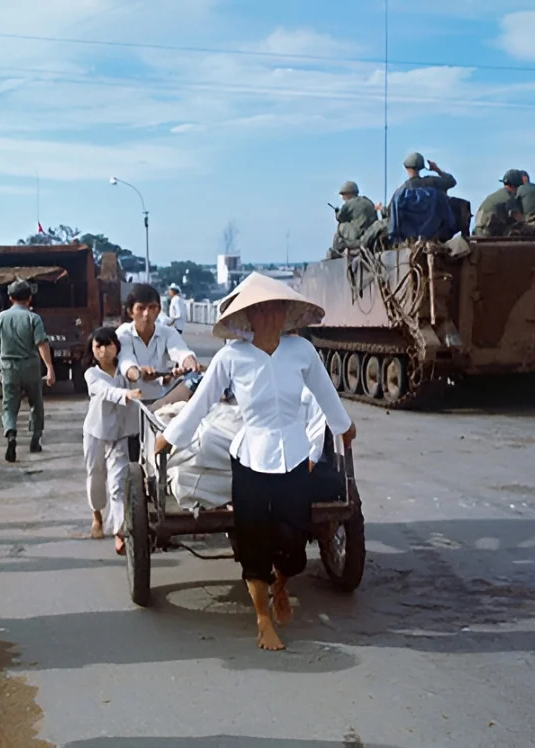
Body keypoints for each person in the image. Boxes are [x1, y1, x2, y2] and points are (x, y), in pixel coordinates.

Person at [154, 272, 355, 652]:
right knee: (252, 539)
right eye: (261, 310)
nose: (269, 317)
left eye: (275, 309)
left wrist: (344, 427)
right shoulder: (232, 357)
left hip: (294, 456)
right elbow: (201, 403)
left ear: (285, 313)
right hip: (249, 458)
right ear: (249, 317)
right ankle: (262, 619)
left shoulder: (302, 352)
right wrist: (170, 437)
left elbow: (326, 397)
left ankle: (282, 583)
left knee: (293, 538)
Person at [82, 328, 141, 554]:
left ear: (117, 346)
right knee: (96, 475)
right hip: (96, 432)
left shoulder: (126, 370)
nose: (104, 351)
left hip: (121, 433)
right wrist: (124, 394)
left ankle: (120, 531)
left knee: (118, 484)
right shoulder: (92, 374)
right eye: (98, 346)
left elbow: (138, 377)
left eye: (108, 345)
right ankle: (97, 515)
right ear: (92, 350)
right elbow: (104, 391)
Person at [0, 280, 56, 462]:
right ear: (30, 298)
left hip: (9, 367)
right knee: (36, 403)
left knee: (9, 405)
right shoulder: (33, 318)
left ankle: (11, 433)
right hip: (31, 367)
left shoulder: (0, 318)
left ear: (10, 298)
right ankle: (35, 440)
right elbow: (42, 343)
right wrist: (50, 368)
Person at [332, 181, 379, 256]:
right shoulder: (367, 201)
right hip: (372, 234)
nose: (342, 197)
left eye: (343, 194)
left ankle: (337, 251)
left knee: (341, 226)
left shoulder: (349, 204)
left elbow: (339, 218)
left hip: (359, 236)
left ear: (348, 194)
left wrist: (337, 212)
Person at [473, 170, 523, 236]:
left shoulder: (496, 195)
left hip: (478, 231)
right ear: (515, 186)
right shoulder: (509, 198)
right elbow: (519, 218)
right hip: (488, 233)